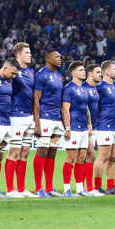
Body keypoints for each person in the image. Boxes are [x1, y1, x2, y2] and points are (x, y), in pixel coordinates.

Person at [33, 50, 64, 197]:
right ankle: (39, 187)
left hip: (57, 119)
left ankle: (49, 187)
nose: (60, 59)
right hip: (45, 118)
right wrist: (37, 122)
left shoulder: (59, 75)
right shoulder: (41, 74)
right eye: (57, 57)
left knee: (52, 152)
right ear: (48, 58)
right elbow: (36, 99)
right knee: (42, 151)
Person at [0, 59, 19, 197]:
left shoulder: (9, 81)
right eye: (12, 73)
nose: (14, 76)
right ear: (5, 68)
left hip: (7, 122)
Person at [8, 42, 35, 197]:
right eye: (26, 52)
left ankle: (21, 188)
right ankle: (11, 190)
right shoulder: (12, 71)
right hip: (16, 115)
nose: (29, 55)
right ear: (18, 55)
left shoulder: (31, 72)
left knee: (25, 151)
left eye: (30, 52)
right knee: (15, 151)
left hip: (29, 115)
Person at [60, 61, 91, 197]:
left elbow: (86, 108)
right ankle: (67, 188)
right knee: (70, 158)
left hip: (83, 128)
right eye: (80, 70)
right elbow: (65, 109)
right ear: (73, 72)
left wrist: (89, 124)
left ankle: (79, 188)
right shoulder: (69, 88)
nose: (83, 72)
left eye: (84, 70)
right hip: (73, 128)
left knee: (82, 158)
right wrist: (67, 128)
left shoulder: (84, 88)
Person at [94, 60, 115, 195]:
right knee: (103, 157)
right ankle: (97, 186)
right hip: (104, 126)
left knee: (113, 157)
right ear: (107, 72)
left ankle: (111, 186)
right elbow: (94, 106)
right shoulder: (100, 87)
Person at [82, 64, 102, 196]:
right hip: (85, 127)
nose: (100, 74)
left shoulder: (97, 88)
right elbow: (82, 107)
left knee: (90, 157)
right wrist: (87, 124)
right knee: (88, 156)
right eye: (98, 72)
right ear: (90, 74)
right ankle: (88, 188)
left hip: (96, 126)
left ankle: (88, 187)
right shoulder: (84, 88)